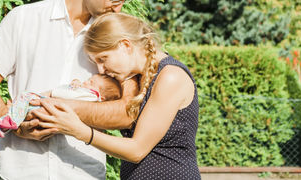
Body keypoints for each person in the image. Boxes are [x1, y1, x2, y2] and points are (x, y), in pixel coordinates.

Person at [0, 0, 144, 179]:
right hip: (18, 170)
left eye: (124, 1)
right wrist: (17, 125)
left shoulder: (118, 37)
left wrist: (58, 114)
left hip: (82, 171)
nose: (118, 9)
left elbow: (127, 112)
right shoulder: (23, 19)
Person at [34, 13, 201, 180]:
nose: (101, 70)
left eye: (103, 59)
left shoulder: (171, 77)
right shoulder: (136, 78)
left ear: (125, 45)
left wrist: (79, 131)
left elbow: (137, 150)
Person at [0, 74, 121, 138]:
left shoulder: (91, 97)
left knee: (25, 96)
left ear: (101, 96)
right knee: (22, 110)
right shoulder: (89, 96)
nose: (86, 83)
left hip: (47, 106)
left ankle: (8, 122)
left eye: (91, 83)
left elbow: (67, 94)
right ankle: (2, 127)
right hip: (49, 110)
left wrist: (70, 88)